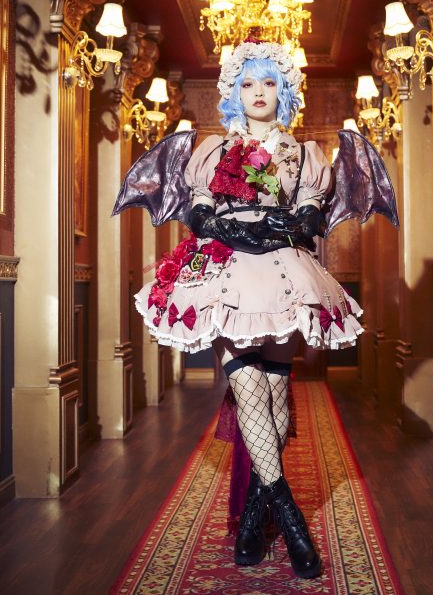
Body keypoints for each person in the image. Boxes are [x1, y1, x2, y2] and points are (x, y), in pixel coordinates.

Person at [128, 39, 392, 580]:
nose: (257, 92)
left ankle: (254, 515)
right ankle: (291, 521)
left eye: (269, 82)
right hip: (227, 273)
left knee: (273, 395)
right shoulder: (212, 150)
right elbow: (199, 211)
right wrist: (226, 227)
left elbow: (312, 213)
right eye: (247, 83)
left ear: (284, 91)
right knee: (248, 391)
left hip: (283, 275)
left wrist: (291, 223)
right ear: (234, 92)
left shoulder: (304, 154)